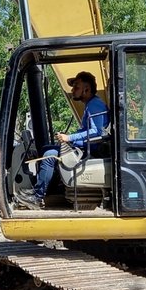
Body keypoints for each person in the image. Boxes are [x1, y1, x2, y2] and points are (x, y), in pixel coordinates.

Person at [16, 71, 109, 209]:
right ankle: (42, 190)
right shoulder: (91, 104)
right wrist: (68, 138)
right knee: (47, 148)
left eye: (76, 87)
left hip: (88, 150)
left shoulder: (94, 105)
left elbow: (96, 132)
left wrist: (69, 138)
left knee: (49, 155)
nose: (72, 90)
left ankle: (37, 197)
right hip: (85, 147)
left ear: (87, 89)